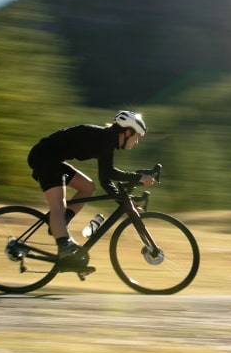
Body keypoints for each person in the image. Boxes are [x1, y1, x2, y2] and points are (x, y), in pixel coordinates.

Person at [26, 110, 155, 268]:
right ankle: (64, 245)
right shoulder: (106, 138)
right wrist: (137, 177)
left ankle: (59, 225)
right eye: (137, 137)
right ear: (128, 132)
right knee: (58, 207)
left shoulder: (107, 139)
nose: (136, 142)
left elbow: (105, 180)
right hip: (44, 158)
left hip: (52, 158)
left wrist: (123, 203)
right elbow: (109, 174)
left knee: (88, 187)